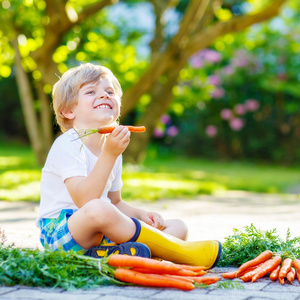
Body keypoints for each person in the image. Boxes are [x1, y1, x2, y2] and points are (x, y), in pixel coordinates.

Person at [36, 63, 222, 268]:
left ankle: (112, 257)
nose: (104, 95)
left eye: (110, 91)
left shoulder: (111, 145)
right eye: (91, 91)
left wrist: (142, 215)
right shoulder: (67, 144)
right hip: (64, 234)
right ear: (68, 111)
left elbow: (115, 202)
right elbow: (86, 201)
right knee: (99, 207)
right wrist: (109, 154)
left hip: (103, 233)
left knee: (178, 227)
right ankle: (180, 252)